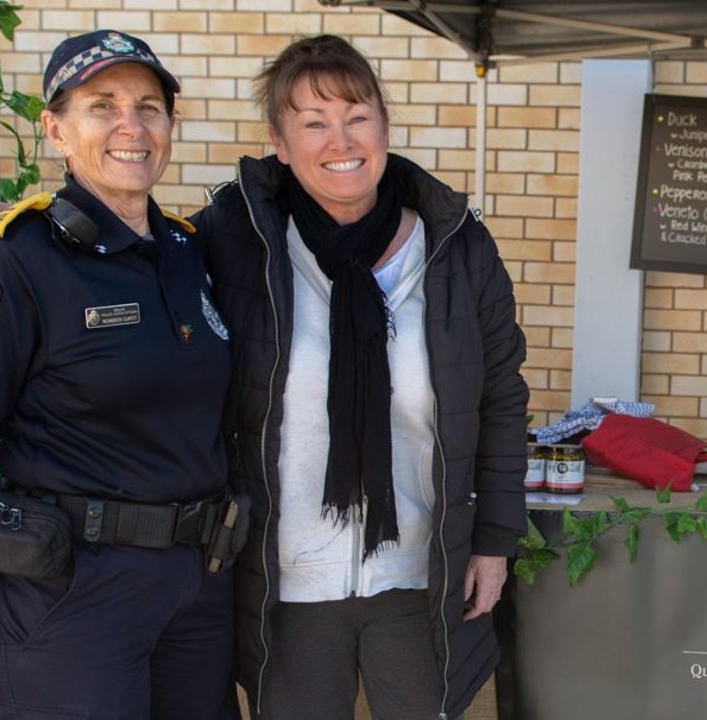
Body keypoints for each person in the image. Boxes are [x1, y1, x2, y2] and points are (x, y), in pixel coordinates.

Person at [192, 34, 530, 720]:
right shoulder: (236, 241)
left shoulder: (457, 248)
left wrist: (494, 542)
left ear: (384, 126)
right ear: (280, 144)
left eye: (356, 116)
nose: (339, 139)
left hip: (418, 578)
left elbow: (501, 404)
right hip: (288, 583)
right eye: (312, 123)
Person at [0, 30, 238, 720]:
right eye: (102, 105)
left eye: (150, 107)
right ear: (55, 129)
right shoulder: (17, 261)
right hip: (73, 592)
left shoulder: (189, 252)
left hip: (194, 587)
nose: (131, 126)